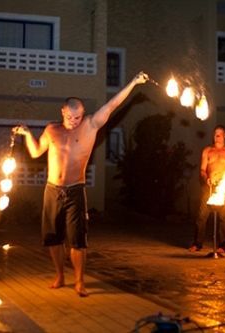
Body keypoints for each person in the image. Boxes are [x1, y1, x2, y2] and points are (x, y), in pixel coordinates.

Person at [14, 71, 149, 297]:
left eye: (78, 117)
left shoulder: (90, 125)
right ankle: (59, 275)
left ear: (83, 114)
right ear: (63, 112)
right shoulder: (51, 130)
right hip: (52, 190)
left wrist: (134, 83)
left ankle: (79, 281)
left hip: (76, 190)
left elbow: (112, 105)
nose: (74, 122)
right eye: (70, 117)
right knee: (52, 238)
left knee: (78, 241)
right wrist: (27, 133)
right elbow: (36, 152)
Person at [189, 125, 225, 253]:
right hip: (209, 186)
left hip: (224, 187)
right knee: (202, 215)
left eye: (220, 134)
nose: (217, 137)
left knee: (224, 217)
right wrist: (206, 179)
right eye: (215, 134)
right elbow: (202, 170)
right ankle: (197, 243)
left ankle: (223, 245)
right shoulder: (207, 150)